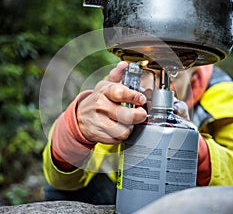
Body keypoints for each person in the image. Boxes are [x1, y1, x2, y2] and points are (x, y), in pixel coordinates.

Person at [43, 60, 233, 204]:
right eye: (143, 71)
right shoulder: (120, 90)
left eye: (172, 73)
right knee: (60, 193)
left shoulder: (224, 96)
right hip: (122, 190)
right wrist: (75, 132)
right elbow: (61, 182)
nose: (151, 88)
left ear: (195, 74)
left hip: (192, 203)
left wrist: (195, 152)